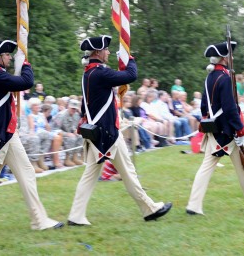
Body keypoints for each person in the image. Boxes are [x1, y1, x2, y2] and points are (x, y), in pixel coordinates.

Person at [0, 39, 63, 235]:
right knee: (26, 173)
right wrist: (25, 64)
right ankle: (39, 221)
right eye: (7, 55)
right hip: (3, 136)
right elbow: (26, 82)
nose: (10, 57)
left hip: (0, 135)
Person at [68, 35, 171, 226]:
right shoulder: (99, 72)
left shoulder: (88, 73)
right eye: (106, 50)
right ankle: (149, 209)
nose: (108, 52)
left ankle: (76, 215)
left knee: (91, 176)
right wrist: (128, 58)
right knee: (128, 173)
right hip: (107, 134)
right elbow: (130, 76)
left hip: (97, 133)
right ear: (98, 52)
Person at [186, 41, 244, 216]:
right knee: (243, 168)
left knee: (208, 167)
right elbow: (230, 108)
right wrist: (240, 130)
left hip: (215, 129)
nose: (232, 58)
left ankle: (193, 205)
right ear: (223, 58)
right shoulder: (225, 78)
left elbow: (205, 106)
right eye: (229, 55)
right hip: (227, 132)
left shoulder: (210, 77)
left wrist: (210, 121)